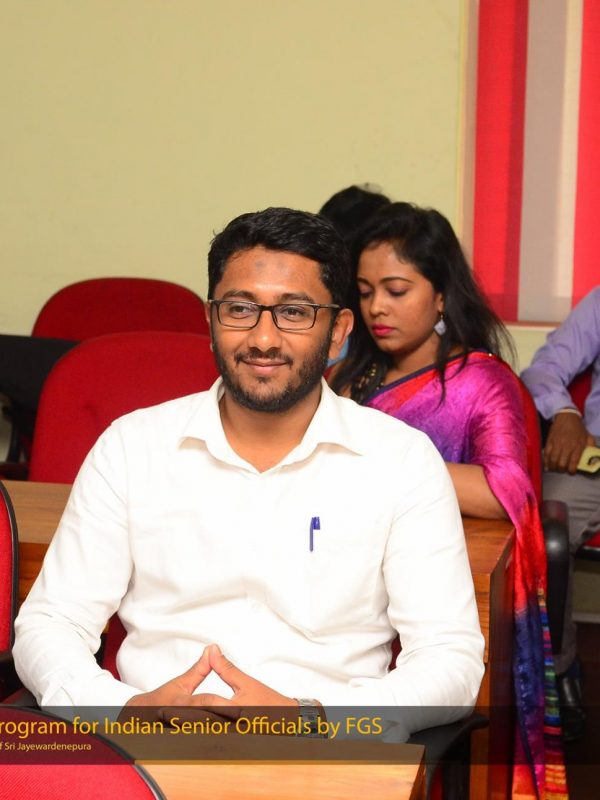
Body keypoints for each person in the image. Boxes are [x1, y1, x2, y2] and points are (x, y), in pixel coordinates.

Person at [14, 207, 483, 741]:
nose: (263, 338)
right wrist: (120, 711)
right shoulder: (133, 447)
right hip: (150, 749)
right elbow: (52, 622)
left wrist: (314, 720)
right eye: (240, 309)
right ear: (211, 320)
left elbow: (450, 659)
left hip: (324, 752)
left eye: (294, 312)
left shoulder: (400, 461)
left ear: (338, 332)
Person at [329, 202, 567, 799]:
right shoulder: (352, 374)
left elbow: (505, 490)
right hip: (340, 572)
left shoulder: (479, 382)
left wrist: (390, 460)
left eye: (396, 290)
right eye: (365, 292)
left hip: (433, 584)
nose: (377, 308)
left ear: (440, 296)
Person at [521, 286, 600, 737]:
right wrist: (565, 413)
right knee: (547, 525)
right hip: (595, 460)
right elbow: (544, 368)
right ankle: (561, 671)